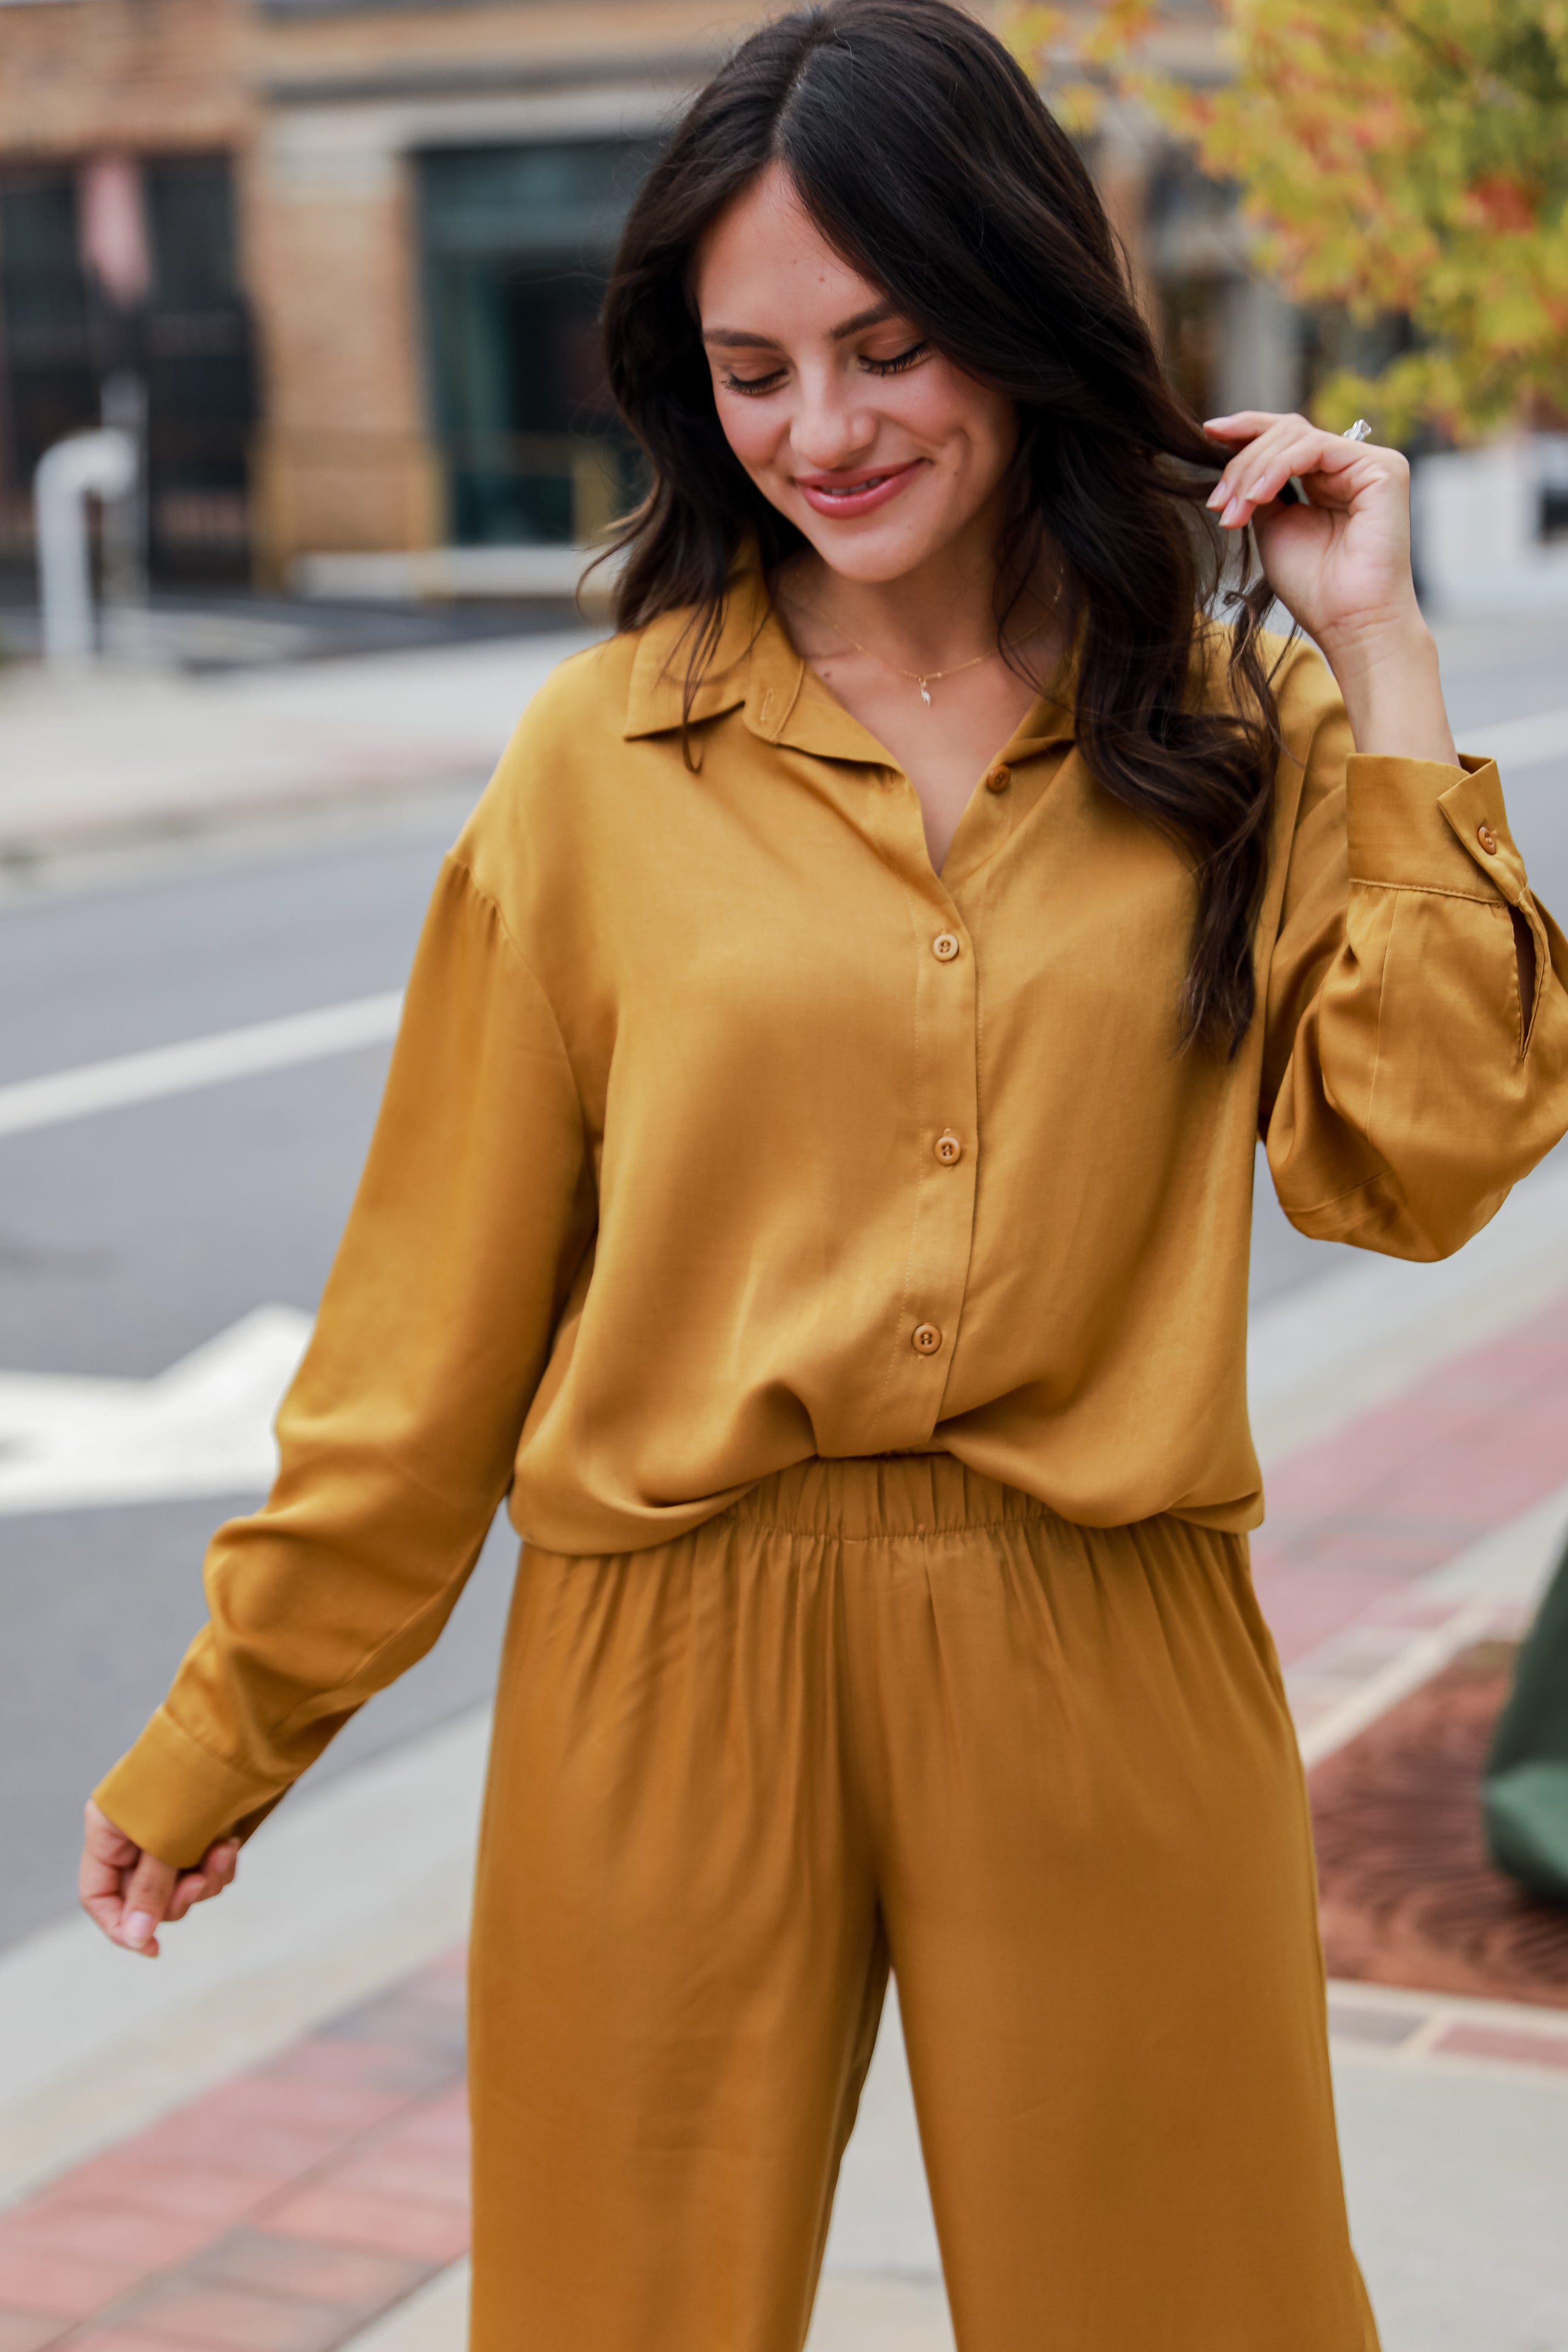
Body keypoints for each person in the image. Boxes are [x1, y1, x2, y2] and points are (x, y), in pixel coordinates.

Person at [80, 4, 1568, 2345]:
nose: (826, 432)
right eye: (753, 369)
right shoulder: (598, 762)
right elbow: (426, 1333)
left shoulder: (1226, 718)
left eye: (889, 348)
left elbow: (1426, 1160)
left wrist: (1376, 658)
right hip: (666, 1662)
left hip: (1106, 1636)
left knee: (1198, 2311)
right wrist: (232, 1721)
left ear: (1014, 309)